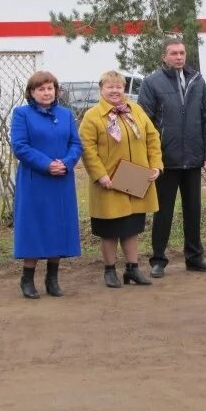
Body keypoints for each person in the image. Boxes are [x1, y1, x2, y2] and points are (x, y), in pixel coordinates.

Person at [137, 37, 206, 277]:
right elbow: (144, 123)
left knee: (193, 210)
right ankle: (158, 260)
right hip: (165, 160)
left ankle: (194, 257)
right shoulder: (151, 83)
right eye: (173, 53)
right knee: (163, 212)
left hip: (193, 158)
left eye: (182, 53)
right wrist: (153, 158)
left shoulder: (197, 80)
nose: (179, 57)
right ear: (164, 56)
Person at [79, 70, 163, 288]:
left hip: (136, 178)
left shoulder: (135, 110)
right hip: (109, 183)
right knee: (110, 230)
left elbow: (153, 138)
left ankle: (133, 269)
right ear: (101, 89)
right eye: (110, 87)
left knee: (131, 227)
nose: (115, 91)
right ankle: (109, 270)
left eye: (119, 86)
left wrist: (156, 166)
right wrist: (100, 175)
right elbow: (87, 149)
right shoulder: (93, 116)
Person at [10, 70, 83, 299]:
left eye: (50, 88)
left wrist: (67, 162)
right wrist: (47, 164)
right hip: (35, 181)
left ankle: (53, 278)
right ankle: (27, 278)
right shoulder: (21, 114)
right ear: (32, 92)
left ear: (56, 90)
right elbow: (20, 146)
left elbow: (76, 144)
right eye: (41, 89)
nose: (46, 92)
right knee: (34, 227)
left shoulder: (66, 114)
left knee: (58, 226)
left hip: (61, 179)